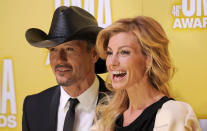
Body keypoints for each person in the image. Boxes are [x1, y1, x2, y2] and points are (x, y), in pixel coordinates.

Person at [91, 16, 201, 131]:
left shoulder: (174, 115)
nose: (112, 63)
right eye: (109, 52)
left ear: (149, 59)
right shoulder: (106, 121)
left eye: (124, 52)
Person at [22, 6, 109, 131]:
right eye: (53, 50)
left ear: (94, 54)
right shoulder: (33, 106)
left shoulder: (123, 106)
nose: (59, 60)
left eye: (69, 49)